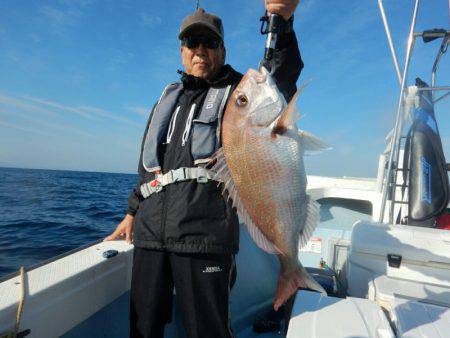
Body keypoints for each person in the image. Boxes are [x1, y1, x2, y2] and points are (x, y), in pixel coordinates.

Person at [105, 1, 302, 337]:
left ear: (222, 50)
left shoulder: (240, 93)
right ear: (182, 51)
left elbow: (278, 76)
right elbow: (149, 167)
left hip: (205, 237)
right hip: (151, 237)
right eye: (191, 43)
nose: (200, 51)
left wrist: (280, 20)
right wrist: (132, 213)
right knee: (142, 328)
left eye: (209, 43)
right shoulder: (168, 97)